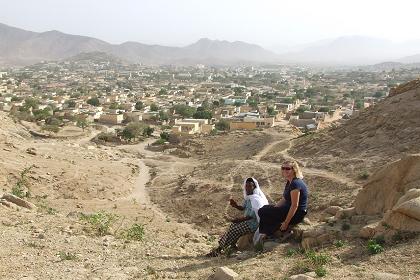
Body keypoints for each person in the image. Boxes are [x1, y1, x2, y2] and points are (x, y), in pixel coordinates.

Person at [206, 177, 268, 257]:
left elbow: (251, 216)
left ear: (254, 187)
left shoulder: (256, 199)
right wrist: (235, 205)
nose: (248, 188)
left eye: (250, 186)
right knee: (232, 226)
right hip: (247, 221)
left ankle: (218, 250)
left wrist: (238, 220)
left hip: (253, 224)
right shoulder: (248, 198)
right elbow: (243, 208)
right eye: (246, 186)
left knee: (234, 230)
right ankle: (231, 247)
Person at [257, 160, 308, 241]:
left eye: (287, 168)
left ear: (294, 170)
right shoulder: (290, 182)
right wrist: (274, 208)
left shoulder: (295, 184)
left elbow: (295, 205)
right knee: (265, 208)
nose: (284, 170)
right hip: (288, 209)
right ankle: (271, 232)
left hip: (297, 214)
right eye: (283, 168)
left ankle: (282, 230)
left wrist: (286, 222)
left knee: (262, 211)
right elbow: (284, 199)